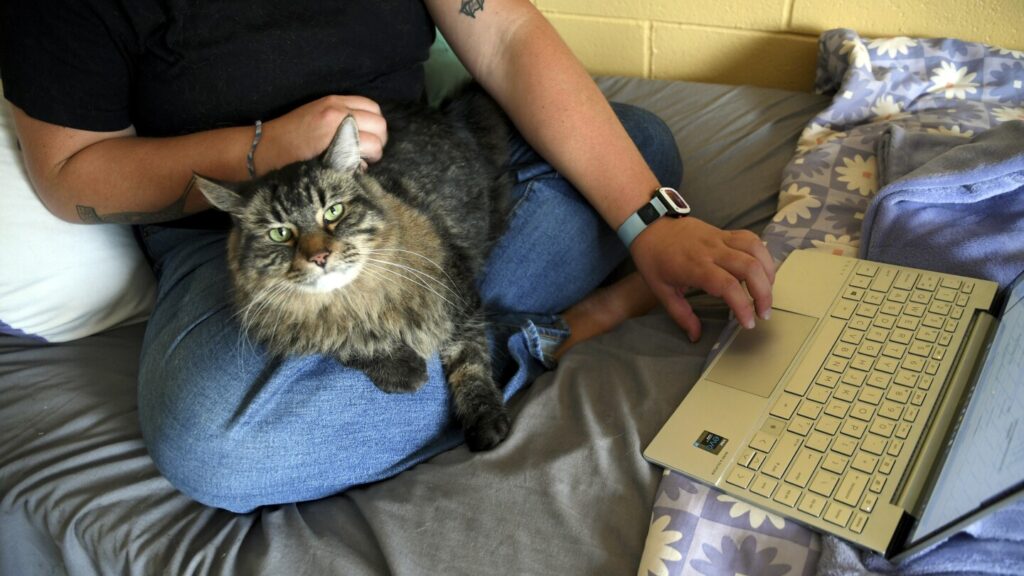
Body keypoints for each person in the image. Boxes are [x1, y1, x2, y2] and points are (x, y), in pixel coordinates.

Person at [1, 0, 774, 512]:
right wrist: (261, 149)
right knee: (217, 446)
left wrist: (650, 220)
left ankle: (454, 332)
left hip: (417, 177)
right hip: (240, 234)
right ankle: (553, 330)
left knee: (640, 147)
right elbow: (73, 173)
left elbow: (502, 34)